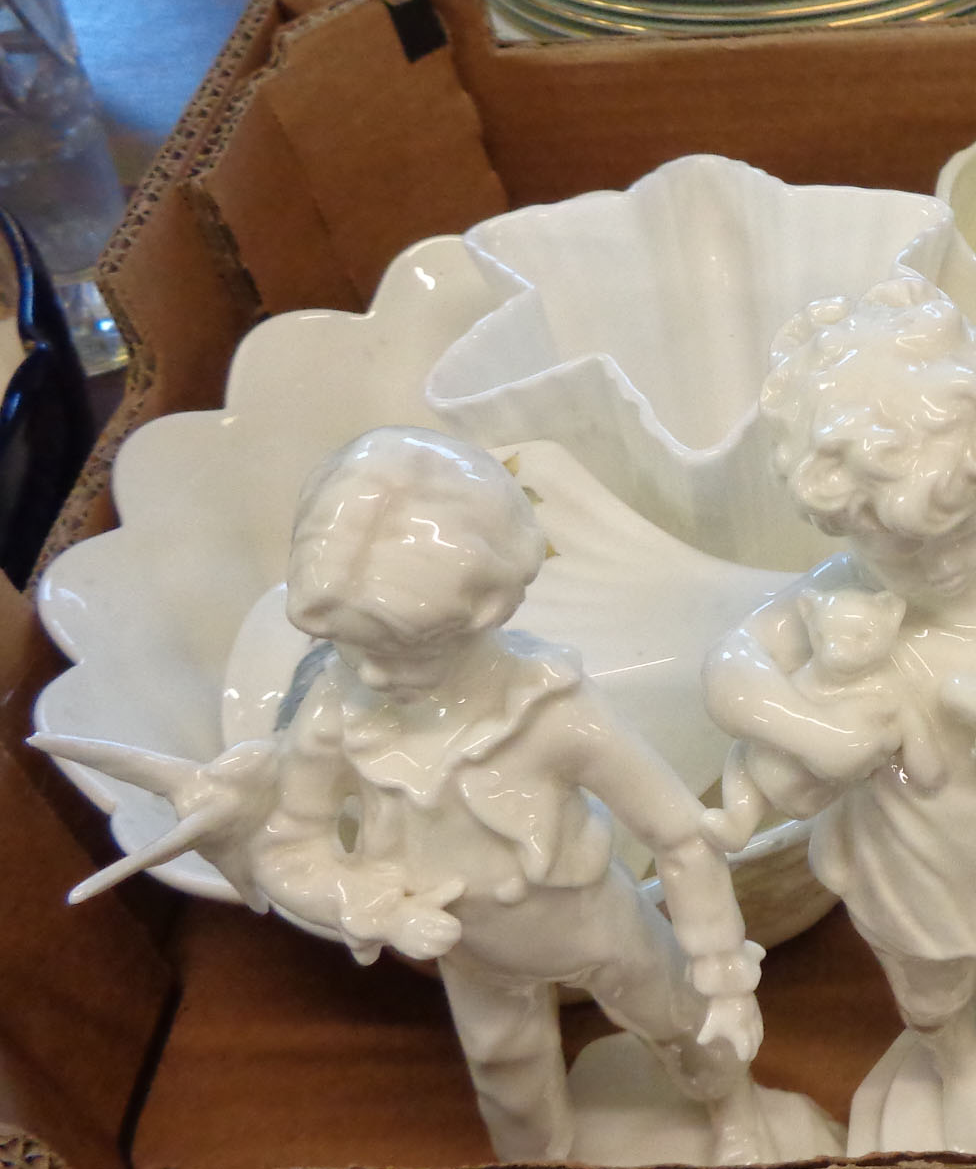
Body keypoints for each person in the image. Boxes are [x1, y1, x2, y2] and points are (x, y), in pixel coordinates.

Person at [49, 427, 780, 1164]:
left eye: (406, 653)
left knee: (681, 1018)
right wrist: (377, 906)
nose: (370, 675)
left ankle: (735, 1113)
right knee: (508, 1079)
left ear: (489, 610)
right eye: (348, 649)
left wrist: (718, 964)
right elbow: (291, 850)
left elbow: (678, 834)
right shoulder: (337, 712)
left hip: (592, 913)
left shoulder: (553, 707)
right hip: (467, 950)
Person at [703, 277, 976, 1153]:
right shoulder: (837, 599)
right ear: (840, 524)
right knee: (930, 986)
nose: (943, 566)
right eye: (902, 546)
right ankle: (963, 1076)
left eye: (969, 528)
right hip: (903, 855)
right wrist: (815, 733)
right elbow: (730, 671)